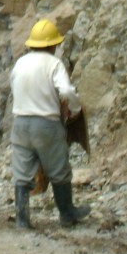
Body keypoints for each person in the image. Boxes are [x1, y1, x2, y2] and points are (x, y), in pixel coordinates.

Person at [10, 19, 90, 229]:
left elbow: (13, 86)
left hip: (20, 123)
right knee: (58, 169)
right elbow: (65, 91)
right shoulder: (54, 64)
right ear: (52, 45)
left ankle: (22, 219)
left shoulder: (20, 63)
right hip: (46, 123)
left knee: (23, 171)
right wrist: (74, 108)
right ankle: (66, 213)